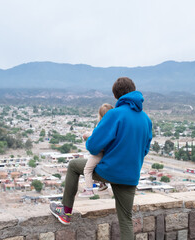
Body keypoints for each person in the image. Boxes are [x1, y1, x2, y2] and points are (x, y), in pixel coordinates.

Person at [50, 77, 152, 240]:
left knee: (74, 166)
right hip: (130, 175)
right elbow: (145, 149)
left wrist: (89, 139)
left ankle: (65, 212)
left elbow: (94, 146)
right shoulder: (146, 119)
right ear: (134, 90)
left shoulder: (114, 115)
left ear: (116, 95)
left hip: (109, 170)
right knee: (126, 220)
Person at [78, 103, 113, 198]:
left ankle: (89, 189)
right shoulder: (115, 124)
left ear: (100, 114)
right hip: (110, 152)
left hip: (99, 152)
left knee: (88, 170)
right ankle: (102, 183)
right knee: (100, 167)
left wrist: (86, 135)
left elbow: (95, 135)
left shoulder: (101, 125)